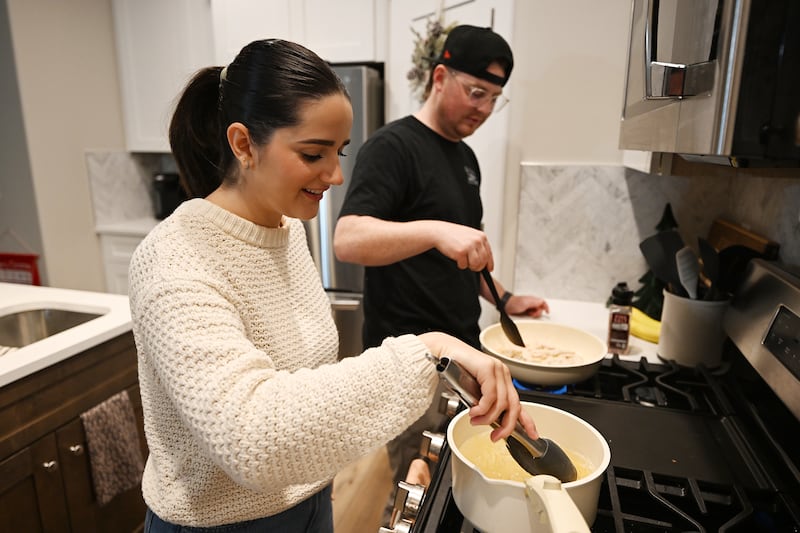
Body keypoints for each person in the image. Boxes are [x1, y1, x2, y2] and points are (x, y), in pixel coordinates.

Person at [127, 38, 538, 533]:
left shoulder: (286, 232)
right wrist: (427, 351)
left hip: (311, 500)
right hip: (217, 524)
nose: (337, 174)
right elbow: (254, 439)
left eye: (339, 151)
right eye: (314, 153)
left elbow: (302, 378)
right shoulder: (173, 258)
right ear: (242, 144)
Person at [333, 25, 550, 517]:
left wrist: (505, 300)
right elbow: (348, 239)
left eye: (494, 98)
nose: (484, 108)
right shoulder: (393, 147)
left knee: (456, 481)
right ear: (439, 77)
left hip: (463, 353)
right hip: (411, 360)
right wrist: (434, 229)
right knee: (416, 489)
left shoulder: (465, 158)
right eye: (476, 92)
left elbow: (461, 252)